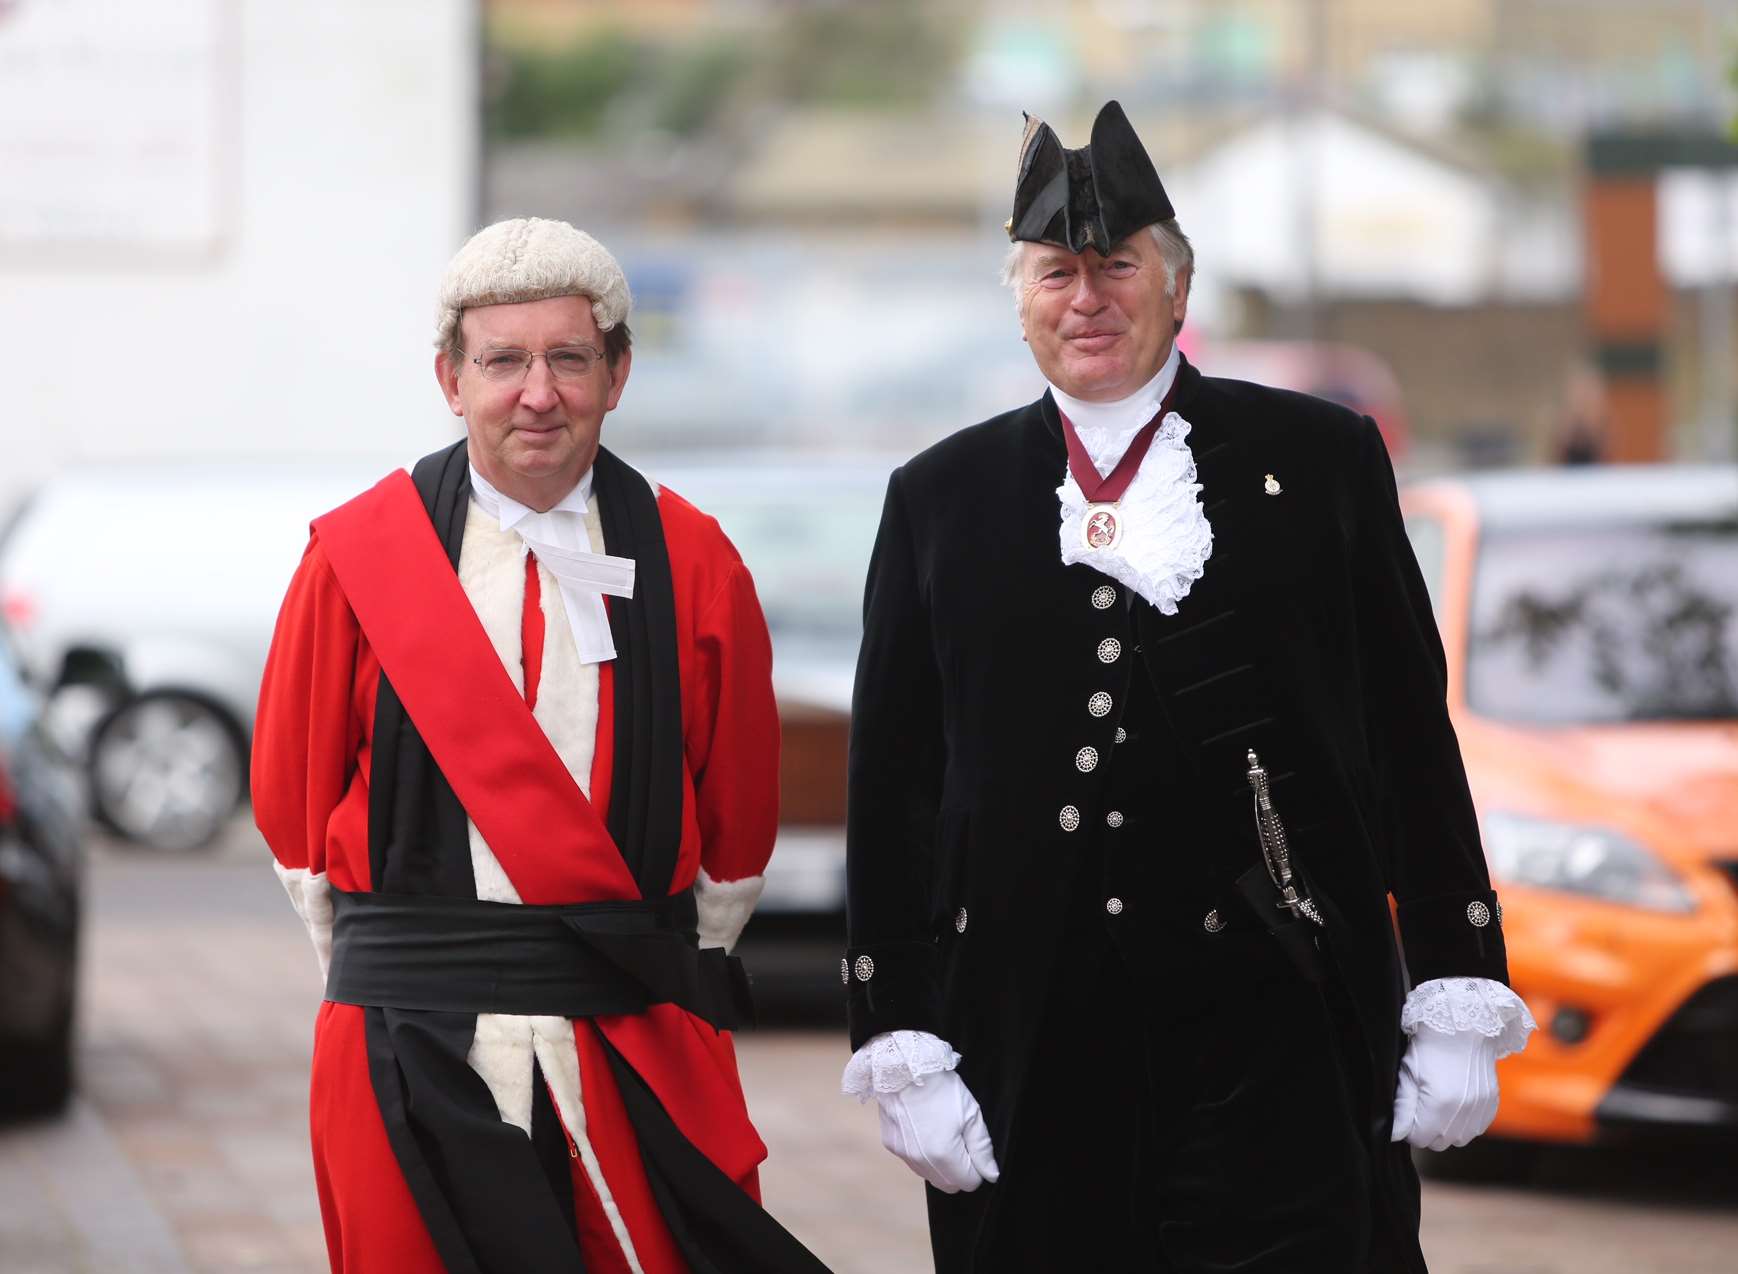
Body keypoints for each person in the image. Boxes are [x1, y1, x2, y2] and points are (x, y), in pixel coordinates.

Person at [840, 102, 1536, 1272]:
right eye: (1055, 271)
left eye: (1117, 265)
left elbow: (1409, 734)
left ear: (1178, 287)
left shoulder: (1320, 460)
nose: (1086, 298)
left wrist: (1460, 976)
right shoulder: (938, 497)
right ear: (1019, 301)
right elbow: (894, 785)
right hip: (1031, 1033)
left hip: (1279, 1019)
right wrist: (899, 1026)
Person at [254, 217, 828, 1273]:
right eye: (503, 359)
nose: (537, 391)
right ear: (449, 376)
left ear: (617, 373)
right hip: (405, 1035)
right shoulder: (352, 556)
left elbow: (735, 832)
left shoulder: (694, 558)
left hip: (627, 1039)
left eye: (568, 357)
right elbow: (293, 814)